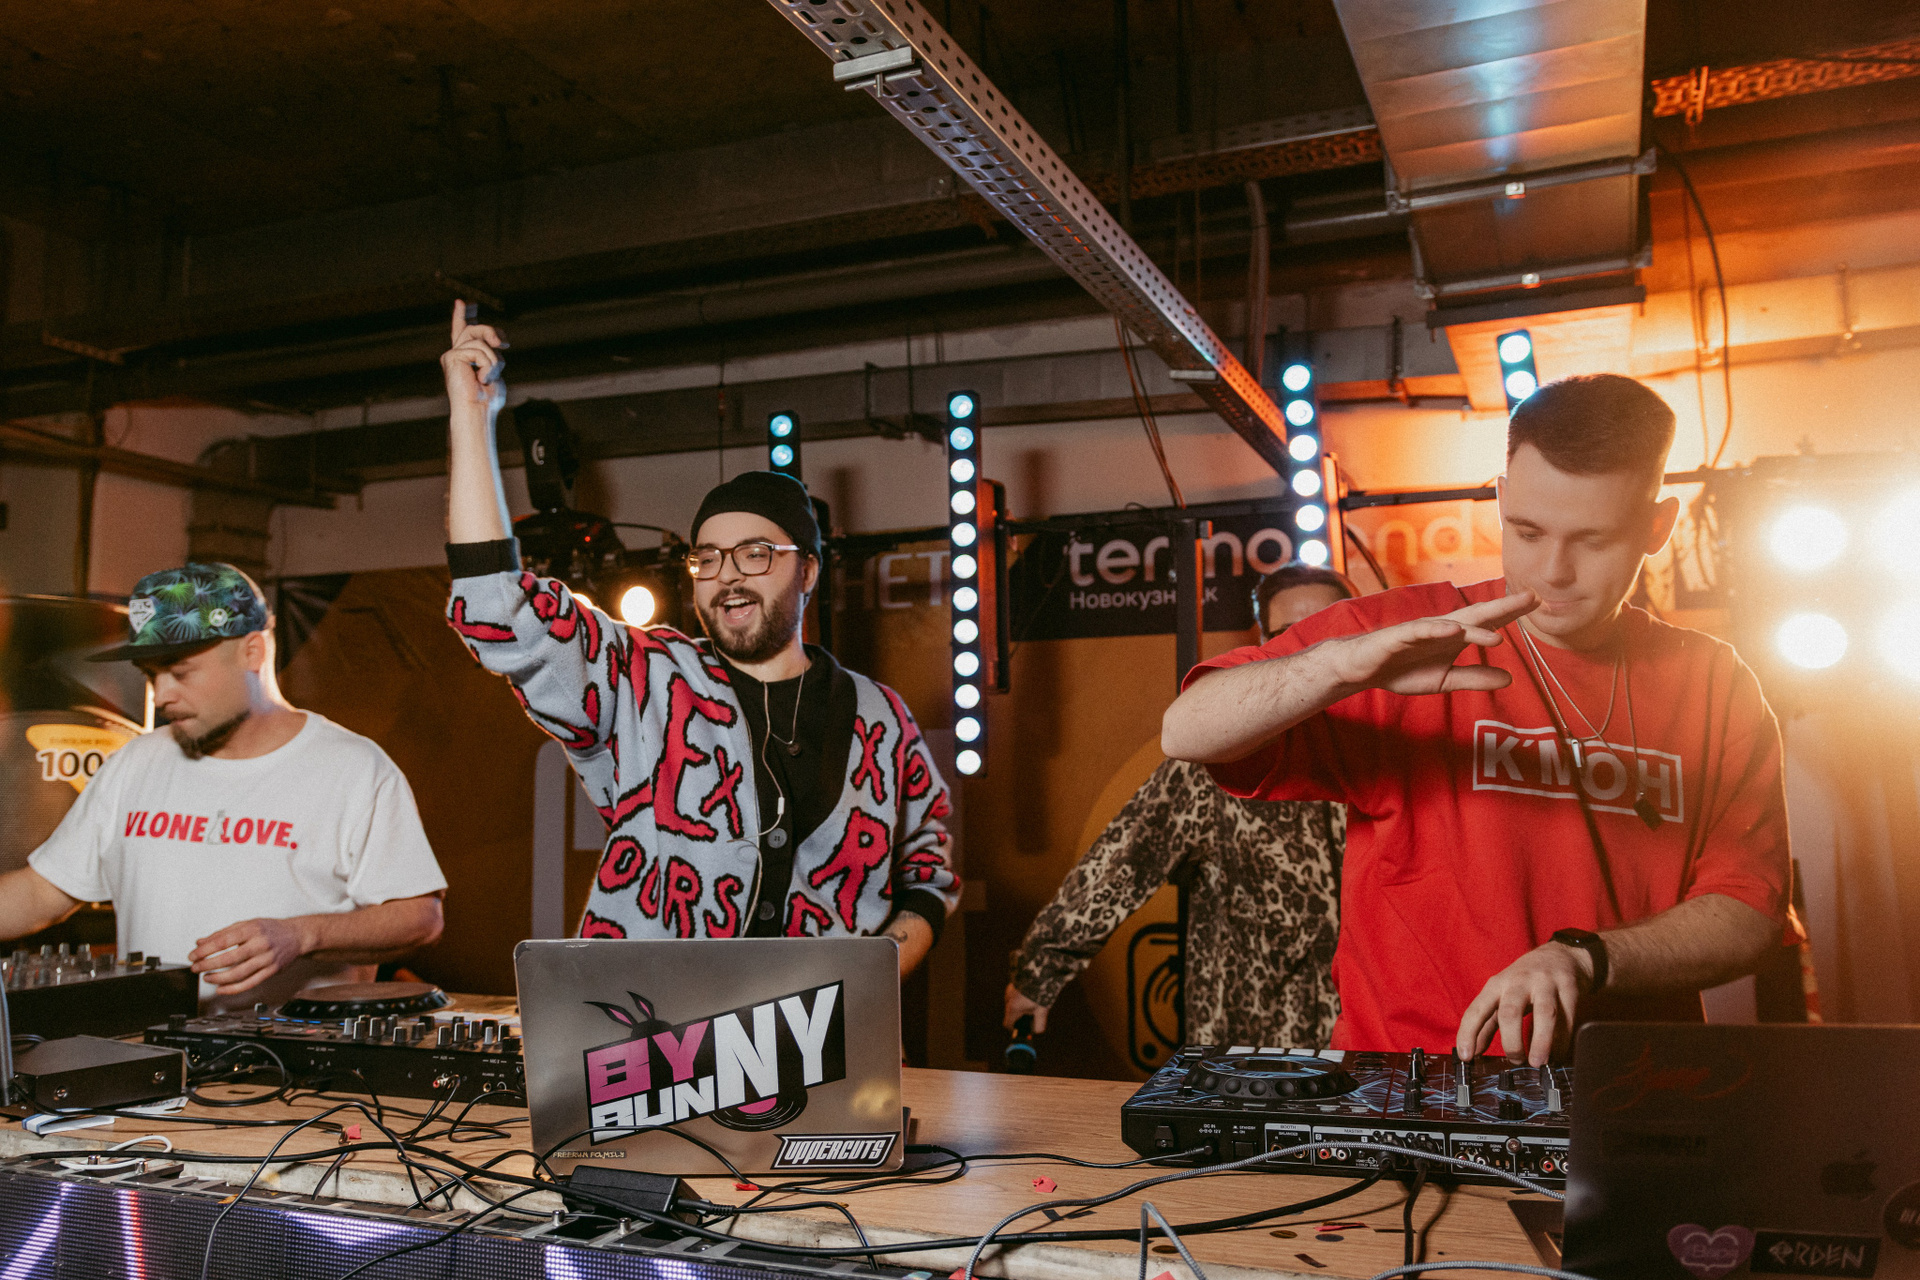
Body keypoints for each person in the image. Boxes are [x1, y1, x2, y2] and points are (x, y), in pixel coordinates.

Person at [1163, 374, 1793, 1065]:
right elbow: (1186, 730)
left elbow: (1749, 911)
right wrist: (1340, 668)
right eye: (1527, 531)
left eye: (1594, 539)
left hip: (1630, 1085)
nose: (1553, 570)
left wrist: (1585, 958)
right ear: (1500, 499)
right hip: (1415, 1085)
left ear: (1657, 527)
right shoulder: (1407, 633)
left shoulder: (1715, 682)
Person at [439, 303, 958, 970]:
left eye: (755, 554)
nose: (727, 575)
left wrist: (870, 979)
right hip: (653, 1029)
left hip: (827, 1035)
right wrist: (471, 418)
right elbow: (495, 606)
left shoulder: (881, 718)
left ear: (807, 570)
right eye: (707, 558)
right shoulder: (645, 678)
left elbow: (928, 874)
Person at [0, 563, 448, 1010]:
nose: (163, 695)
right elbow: (40, 893)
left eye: (180, 672)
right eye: (151, 675)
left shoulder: (352, 768)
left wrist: (300, 935)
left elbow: (418, 917)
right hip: (147, 1043)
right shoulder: (135, 763)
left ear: (252, 651)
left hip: (292, 1050)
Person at [1003, 564, 1356, 1050]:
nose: (1313, 648)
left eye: (1330, 629)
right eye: (1289, 634)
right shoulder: (1225, 756)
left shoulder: (1401, 751)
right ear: (1265, 645)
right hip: (1247, 1060)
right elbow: (1121, 862)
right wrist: (1039, 974)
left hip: (1371, 1053)